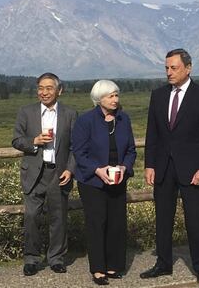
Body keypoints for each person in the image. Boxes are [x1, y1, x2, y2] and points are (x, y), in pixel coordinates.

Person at [140, 49, 199, 285]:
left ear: (188, 68)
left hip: (193, 170)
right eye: (166, 68)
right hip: (163, 168)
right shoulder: (158, 95)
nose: (169, 72)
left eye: (174, 68)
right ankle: (163, 263)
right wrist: (149, 164)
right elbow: (152, 133)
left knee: (194, 220)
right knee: (163, 219)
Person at [12, 72, 77, 276]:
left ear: (60, 90)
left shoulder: (70, 114)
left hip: (58, 173)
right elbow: (16, 140)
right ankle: (31, 259)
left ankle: (56, 258)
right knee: (31, 217)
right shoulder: (26, 112)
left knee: (58, 218)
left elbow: (76, 146)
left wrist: (70, 169)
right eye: (40, 88)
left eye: (49, 88)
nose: (44, 92)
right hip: (33, 174)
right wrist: (34, 141)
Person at [72, 80, 137, 285]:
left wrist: (125, 168)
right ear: (99, 98)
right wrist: (98, 170)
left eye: (117, 95)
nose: (115, 100)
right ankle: (98, 269)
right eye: (111, 96)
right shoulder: (85, 121)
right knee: (97, 223)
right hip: (93, 182)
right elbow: (79, 153)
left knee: (117, 223)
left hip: (118, 179)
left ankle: (114, 266)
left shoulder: (124, 119)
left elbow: (131, 150)